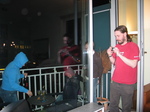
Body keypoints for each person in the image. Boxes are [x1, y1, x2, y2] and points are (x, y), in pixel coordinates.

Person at [107, 25, 140, 112]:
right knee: (113, 106)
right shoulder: (117, 46)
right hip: (115, 81)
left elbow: (133, 64)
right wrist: (110, 54)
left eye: (118, 36)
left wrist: (119, 55)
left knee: (126, 107)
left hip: (128, 84)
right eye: (115, 36)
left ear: (125, 34)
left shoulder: (133, 46)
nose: (116, 38)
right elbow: (114, 62)